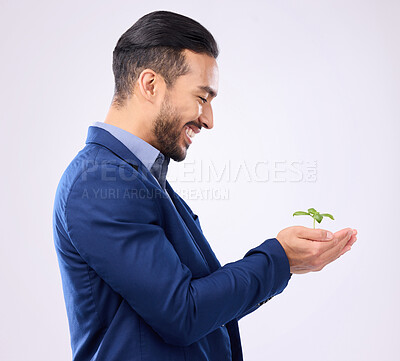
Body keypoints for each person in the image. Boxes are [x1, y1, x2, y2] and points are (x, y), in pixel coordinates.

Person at [52, 10, 357, 361]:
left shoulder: (138, 179)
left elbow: (199, 311)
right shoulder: (98, 183)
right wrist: (279, 259)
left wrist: (281, 263)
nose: (209, 120)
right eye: (202, 97)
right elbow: (184, 313)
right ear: (150, 85)